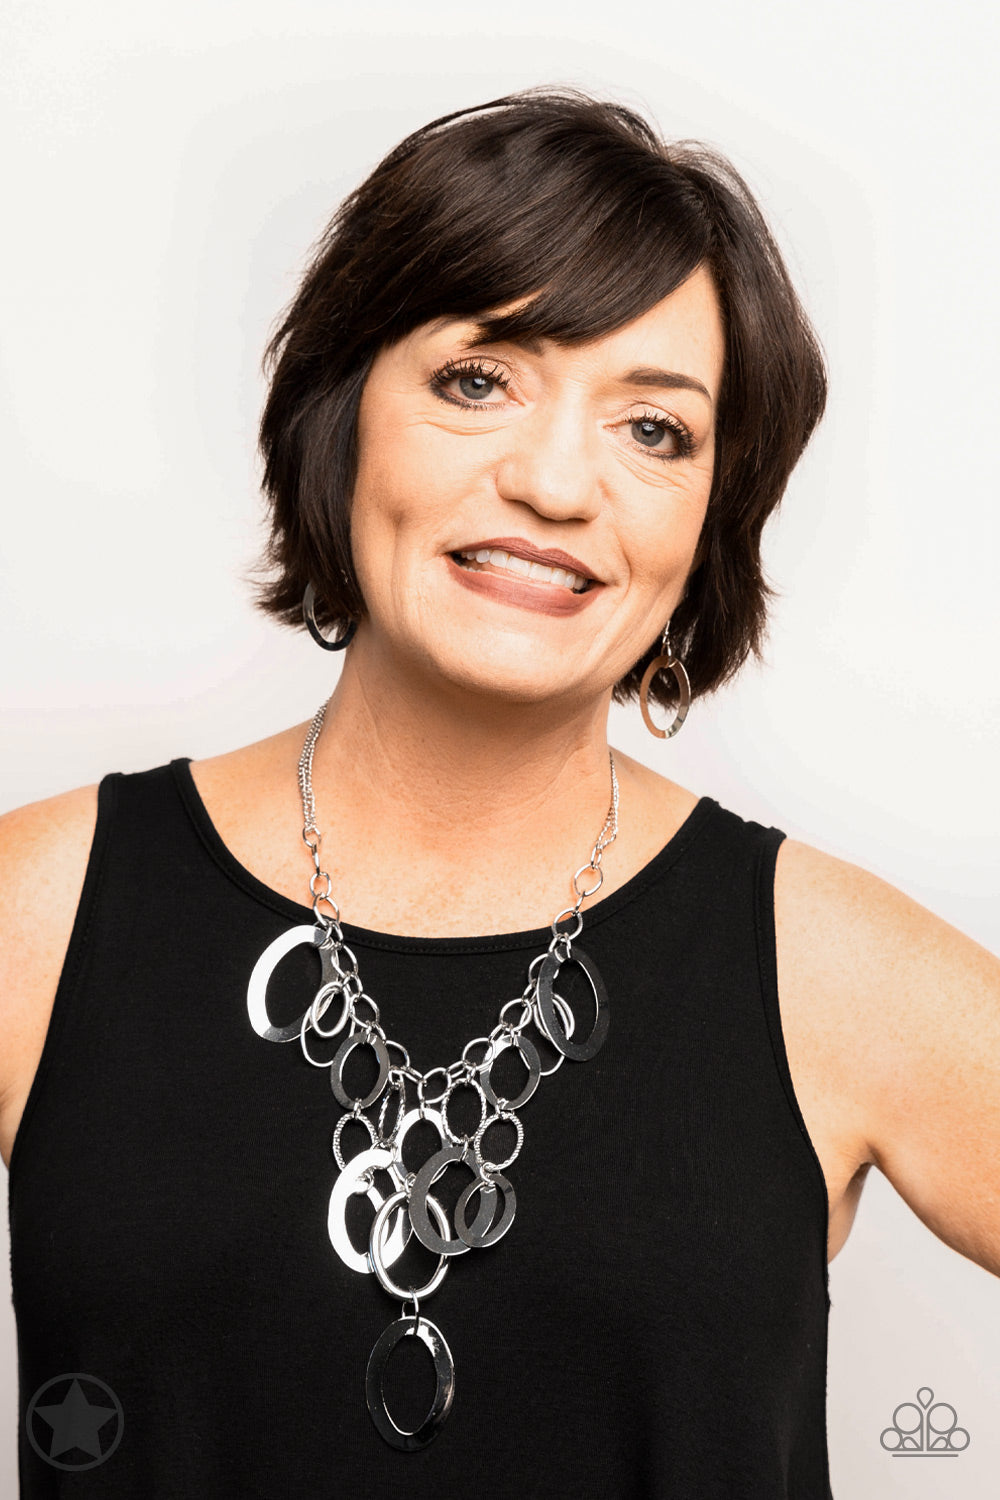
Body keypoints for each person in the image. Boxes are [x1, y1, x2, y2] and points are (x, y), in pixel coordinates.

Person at [1, 85, 997, 1497]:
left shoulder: (833, 967)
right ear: (343, 415)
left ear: (713, 513)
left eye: (655, 430)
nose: (556, 483)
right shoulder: (37, 913)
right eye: (479, 381)